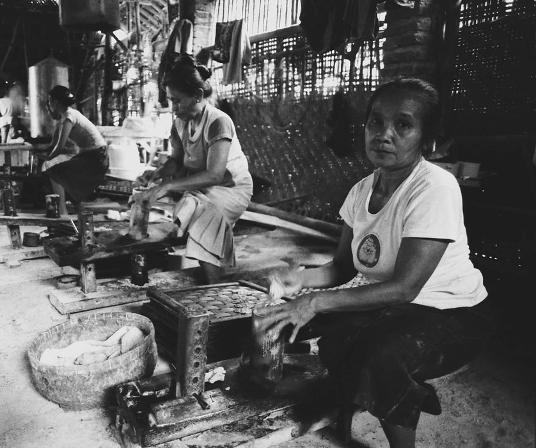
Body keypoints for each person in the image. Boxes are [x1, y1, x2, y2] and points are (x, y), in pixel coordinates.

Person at [258, 78, 494, 448]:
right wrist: (298, 281)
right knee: (334, 339)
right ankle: (399, 396)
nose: (384, 134)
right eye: (375, 122)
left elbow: (405, 287)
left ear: (424, 137)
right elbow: (342, 268)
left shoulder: (434, 188)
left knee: (378, 356)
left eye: (403, 124)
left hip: (452, 314)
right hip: (397, 308)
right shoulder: (360, 192)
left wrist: (316, 301)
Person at [133, 55, 253, 284]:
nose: (173, 107)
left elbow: (215, 174)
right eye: (170, 100)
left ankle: (214, 286)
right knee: (188, 209)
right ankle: (207, 274)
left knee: (201, 224)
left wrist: (166, 185)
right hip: (207, 188)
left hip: (231, 189)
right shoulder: (179, 122)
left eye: (177, 101)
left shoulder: (219, 122)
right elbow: (176, 161)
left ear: (198, 95)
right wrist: (158, 173)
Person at [42, 85, 108, 215]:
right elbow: (53, 144)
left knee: (55, 173)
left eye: (49, 101)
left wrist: (48, 158)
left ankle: (63, 211)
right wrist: (41, 154)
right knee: (63, 175)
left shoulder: (69, 116)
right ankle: (78, 207)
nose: (49, 106)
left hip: (97, 157)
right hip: (90, 155)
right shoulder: (65, 117)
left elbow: (59, 147)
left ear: (55, 102)